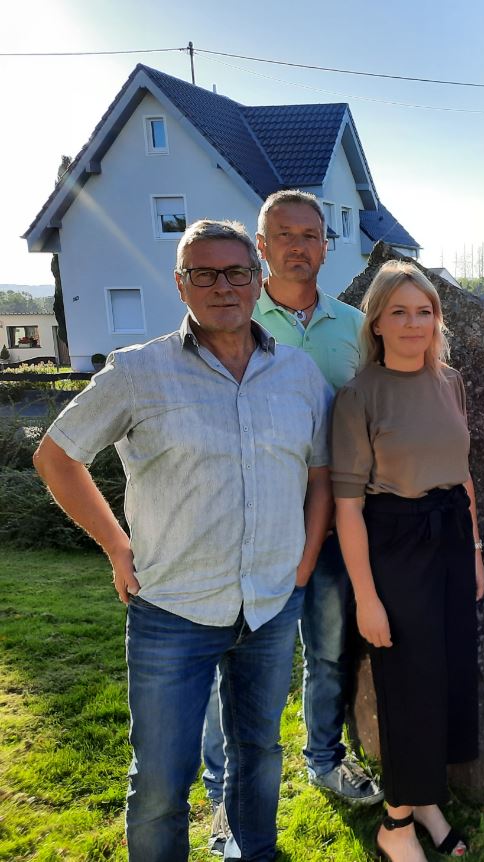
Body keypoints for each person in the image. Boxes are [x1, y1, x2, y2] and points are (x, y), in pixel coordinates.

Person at [33, 219, 333, 861]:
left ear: (257, 281)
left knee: (258, 756)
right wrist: (117, 545)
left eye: (235, 272)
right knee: (163, 784)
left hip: (272, 606)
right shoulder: (138, 372)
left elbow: (321, 476)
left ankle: (255, 854)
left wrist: (304, 562)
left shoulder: (300, 375)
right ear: (180, 284)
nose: (221, 286)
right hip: (173, 609)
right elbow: (58, 455)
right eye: (204, 273)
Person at [200, 190, 378, 855]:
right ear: (261, 244)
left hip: (335, 531)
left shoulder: (355, 327)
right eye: (285, 234)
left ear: (326, 246)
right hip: (251, 529)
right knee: (235, 666)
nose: (300, 246)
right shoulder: (232, 316)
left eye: (312, 234)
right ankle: (225, 797)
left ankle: (324, 758)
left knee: (328, 653)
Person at [330, 261, 484, 862]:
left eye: (424, 311)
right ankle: (395, 824)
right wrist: (367, 598)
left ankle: (425, 801)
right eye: (399, 311)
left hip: (448, 538)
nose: (414, 323)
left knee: (445, 676)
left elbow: (463, 475)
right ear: (377, 320)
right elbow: (347, 510)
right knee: (407, 684)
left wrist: (473, 551)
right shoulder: (358, 396)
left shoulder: (451, 382)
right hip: (394, 546)